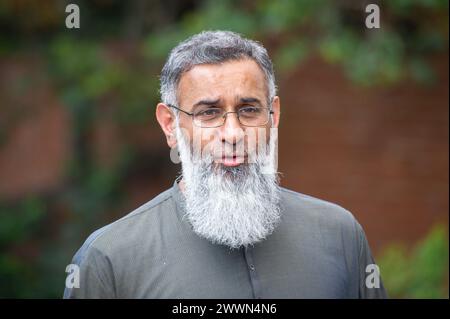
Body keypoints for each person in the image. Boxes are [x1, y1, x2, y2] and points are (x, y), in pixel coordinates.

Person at [64, 30, 387, 299]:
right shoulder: (110, 260)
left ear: (273, 115)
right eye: (208, 113)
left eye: (248, 110)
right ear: (170, 125)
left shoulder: (339, 235)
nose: (233, 134)